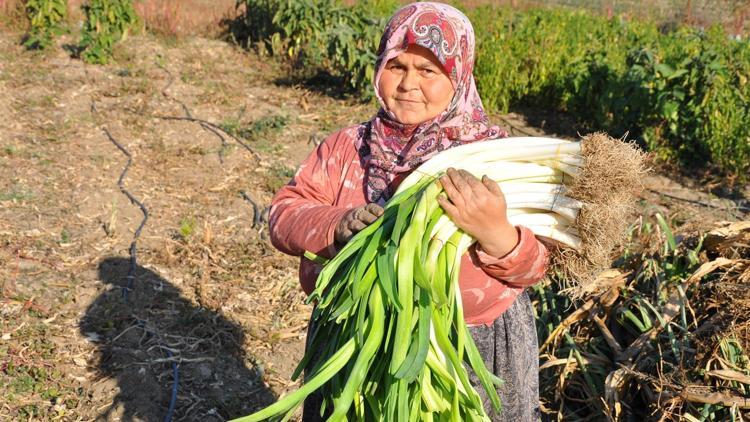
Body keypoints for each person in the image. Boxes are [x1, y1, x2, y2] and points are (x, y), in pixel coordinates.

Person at [269, 3, 549, 421]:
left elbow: (533, 269)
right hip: (357, 341)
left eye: (429, 71)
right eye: (396, 65)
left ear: (458, 77)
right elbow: (284, 214)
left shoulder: (496, 159)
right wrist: (336, 225)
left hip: (472, 351)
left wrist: (495, 232)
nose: (407, 84)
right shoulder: (347, 148)